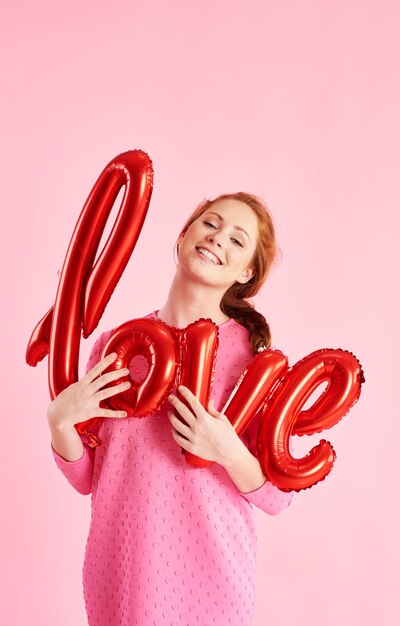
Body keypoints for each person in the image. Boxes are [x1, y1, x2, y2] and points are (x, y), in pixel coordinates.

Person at [48, 192, 294, 626]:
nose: (218, 239)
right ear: (184, 235)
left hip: (211, 580)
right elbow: (91, 479)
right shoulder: (115, 346)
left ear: (247, 272)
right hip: (119, 571)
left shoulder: (254, 362)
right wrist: (60, 424)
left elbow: (277, 498)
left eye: (238, 241)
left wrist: (227, 449)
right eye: (211, 224)